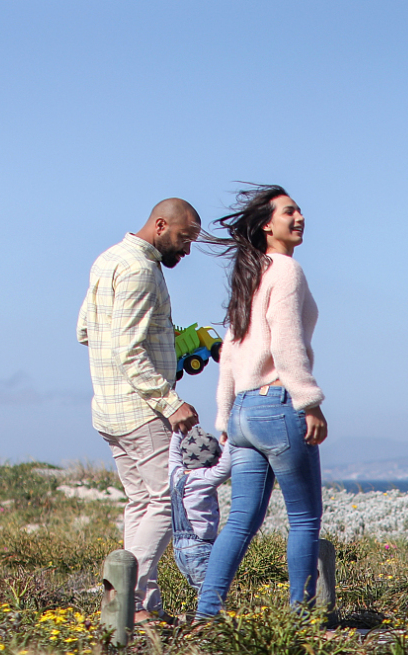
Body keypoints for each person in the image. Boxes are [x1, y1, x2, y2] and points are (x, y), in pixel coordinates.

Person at [192, 186, 327, 621]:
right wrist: (309, 401)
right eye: (289, 212)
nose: (300, 217)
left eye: (300, 210)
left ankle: (207, 613)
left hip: (245, 413)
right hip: (278, 406)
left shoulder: (250, 275)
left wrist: (224, 416)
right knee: (304, 520)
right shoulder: (286, 270)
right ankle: (300, 619)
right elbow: (287, 343)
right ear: (268, 224)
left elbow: (229, 353)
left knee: (240, 521)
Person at [77, 197, 202, 624]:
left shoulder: (108, 259)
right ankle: (126, 603)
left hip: (109, 406)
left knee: (141, 503)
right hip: (142, 410)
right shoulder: (140, 269)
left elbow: (84, 332)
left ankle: (139, 605)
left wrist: (164, 355)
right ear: (161, 225)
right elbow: (127, 350)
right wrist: (170, 401)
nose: (186, 250)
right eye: (184, 239)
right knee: (167, 503)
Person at [167, 430, 233, 591]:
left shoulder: (176, 474)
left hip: (179, 549)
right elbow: (227, 466)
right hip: (200, 546)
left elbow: (173, 453)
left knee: (203, 591)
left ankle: (203, 615)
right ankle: (206, 617)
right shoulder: (204, 478)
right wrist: (232, 437)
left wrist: (178, 431)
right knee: (211, 592)